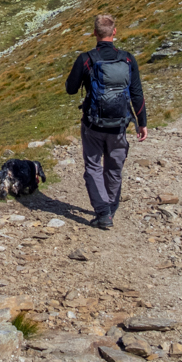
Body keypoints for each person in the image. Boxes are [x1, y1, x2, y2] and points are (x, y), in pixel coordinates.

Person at [65, 14, 147, 229]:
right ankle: (110, 208)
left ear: (95, 33)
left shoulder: (86, 58)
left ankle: (103, 213)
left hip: (93, 125)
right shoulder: (128, 59)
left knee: (93, 166)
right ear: (114, 32)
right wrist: (142, 122)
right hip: (119, 125)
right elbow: (137, 93)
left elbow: (70, 89)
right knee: (114, 168)